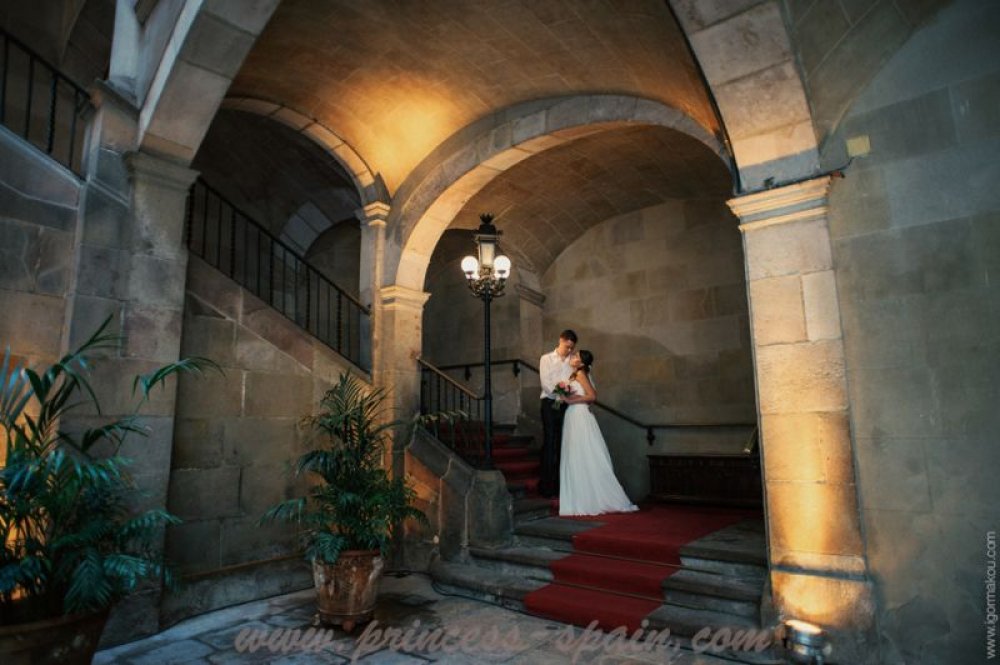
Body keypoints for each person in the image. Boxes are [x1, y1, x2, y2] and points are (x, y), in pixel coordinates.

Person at [559, 350, 638, 516]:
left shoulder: (580, 373)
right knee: (576, 454)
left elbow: (592, 396)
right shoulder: (575, 374)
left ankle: (593, 498)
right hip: (573, 414)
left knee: (584, 453)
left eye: (576, 356)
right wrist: (564, 396)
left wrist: (570, 399)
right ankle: (581, 497)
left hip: (579, 415)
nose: (573, 357)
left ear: (581, 363)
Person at [538, 329, 576, 498]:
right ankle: (546, 485)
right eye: (567, 346)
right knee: (549, 441)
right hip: (549, 403)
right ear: (561, 340)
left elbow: (573, 382)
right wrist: (561, 393)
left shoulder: (572, 361)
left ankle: (561, 486)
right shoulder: (546, 358)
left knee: (562, 443)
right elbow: (546, 384)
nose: (569, 350)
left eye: (572, 348)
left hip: (565, 405)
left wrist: (564, 395)